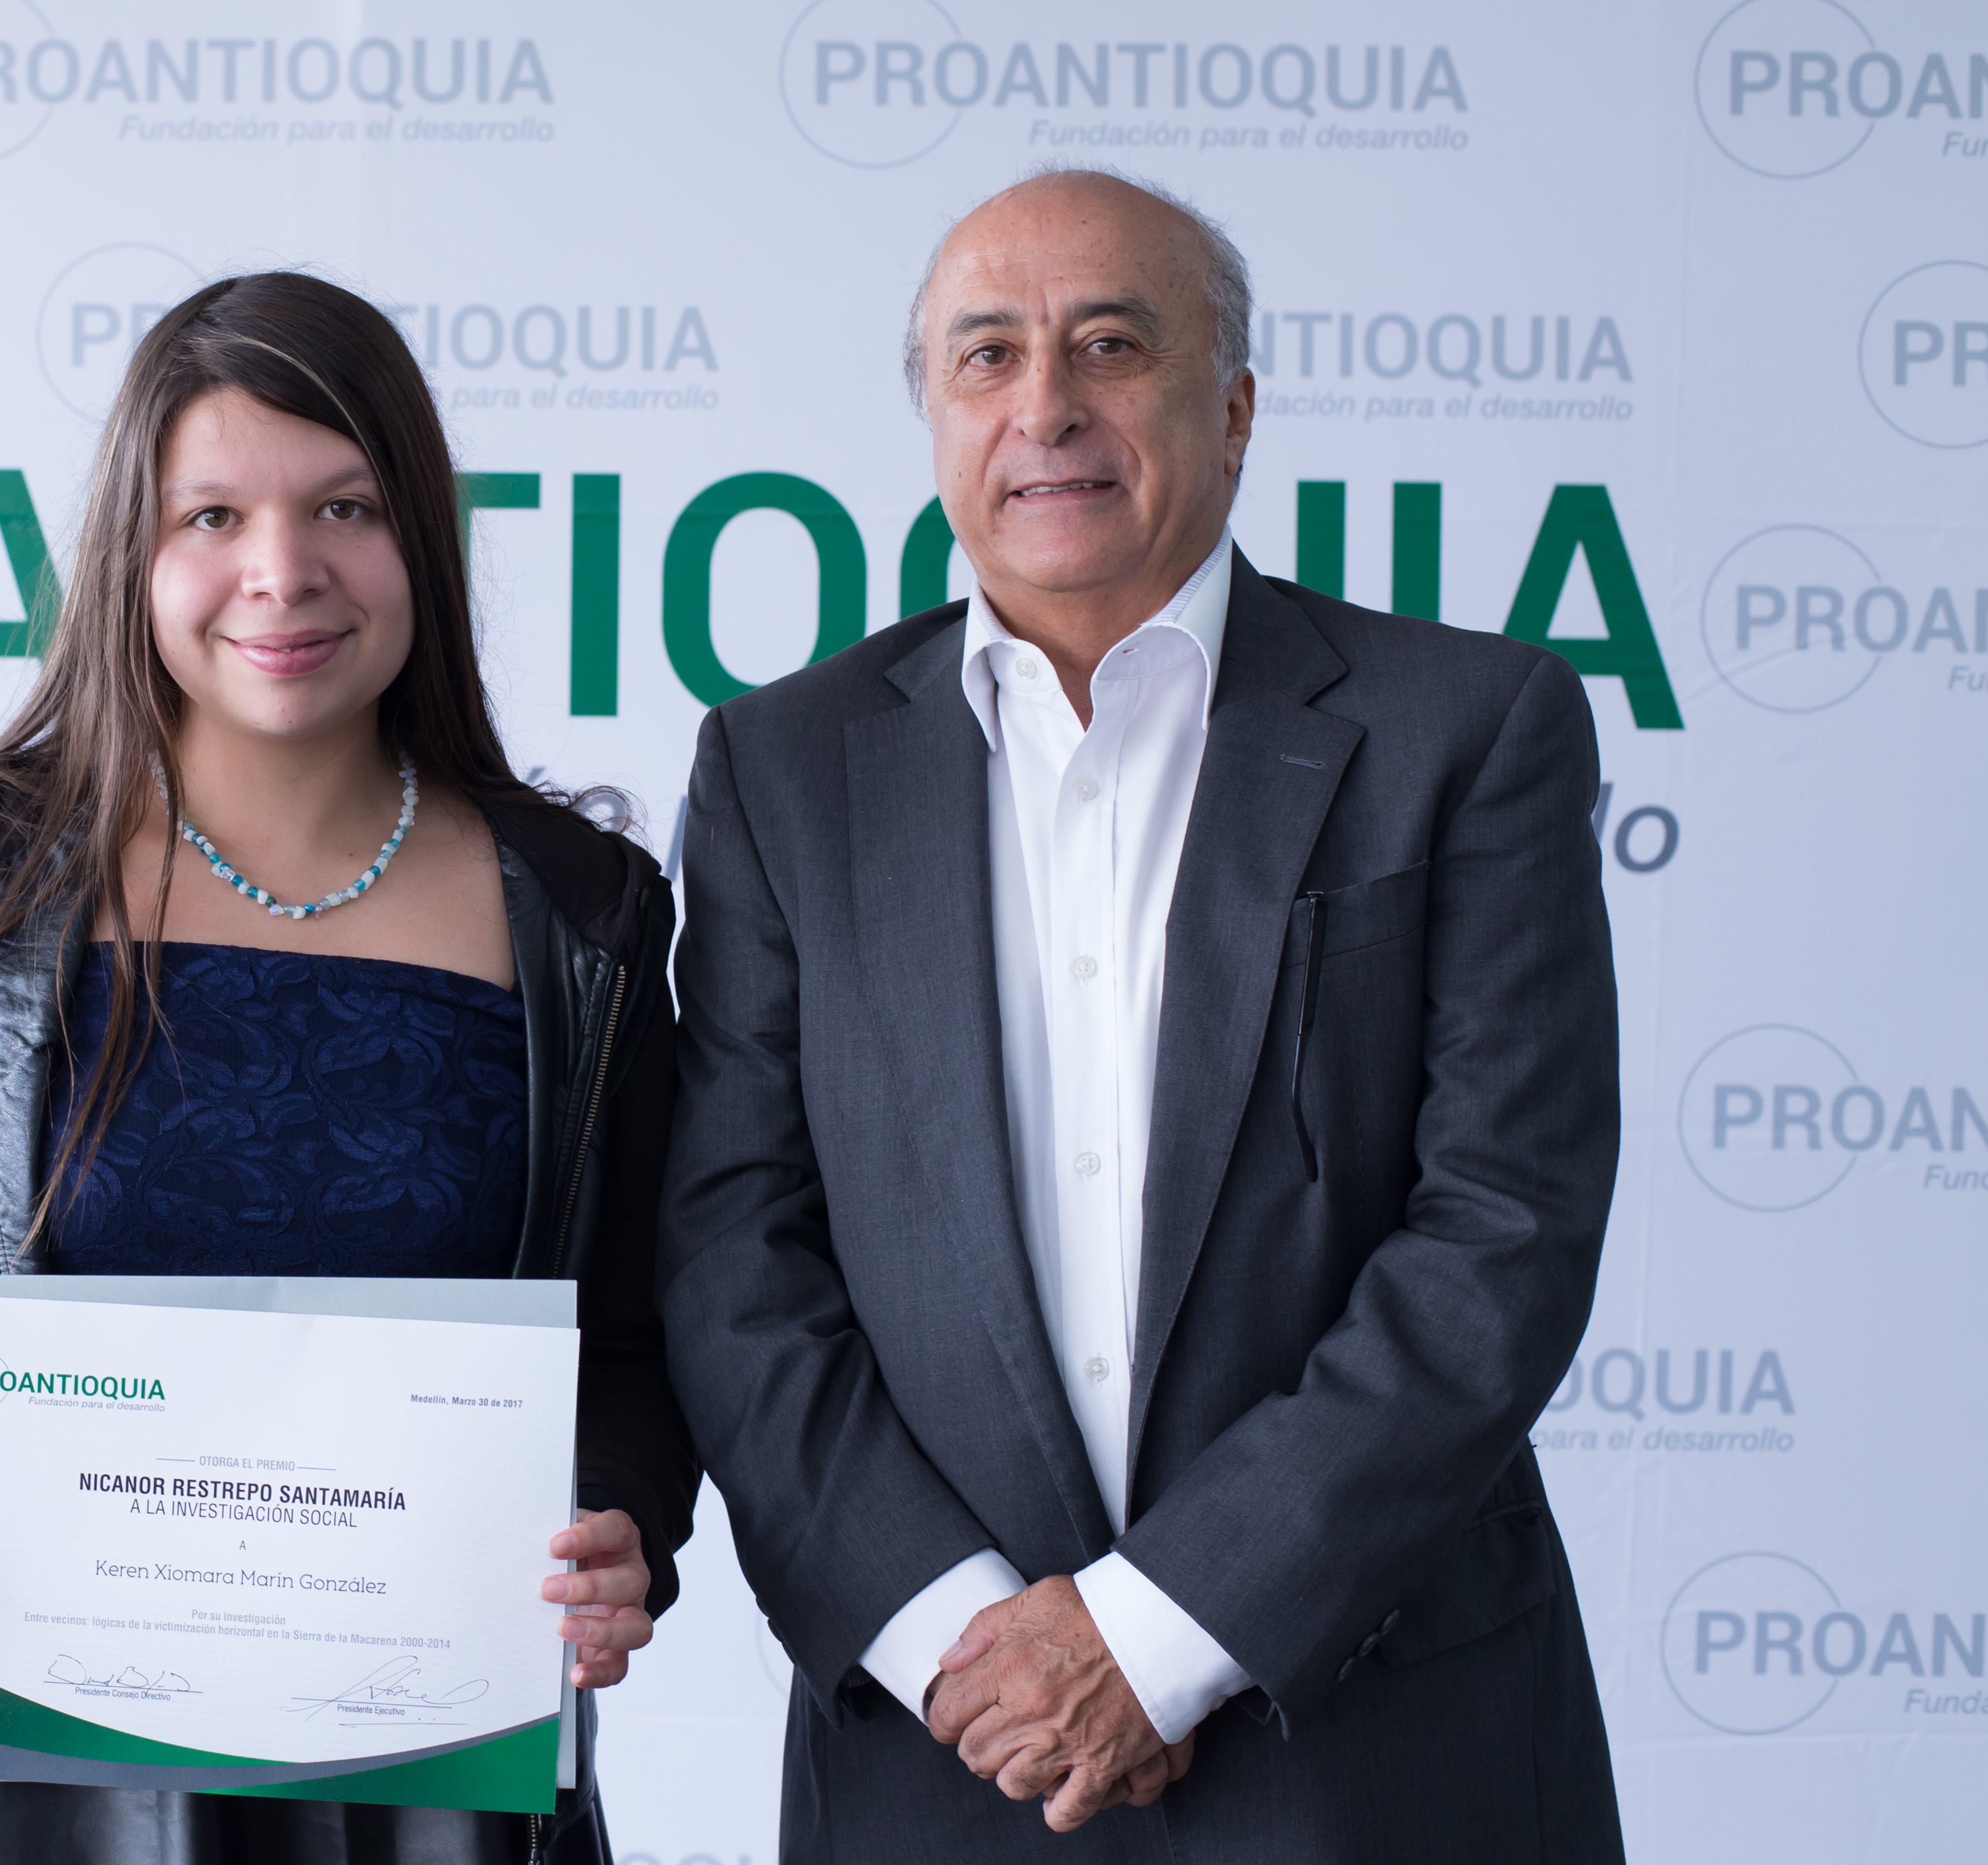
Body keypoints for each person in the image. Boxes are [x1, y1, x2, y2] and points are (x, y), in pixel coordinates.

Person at [656, 167, 1623, 1859]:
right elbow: (733, 1252)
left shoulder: (1468, 729)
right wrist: (970, 1646)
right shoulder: (780, 769)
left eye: (1109, 346)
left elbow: (1502, 1229)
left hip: (1374, 1742)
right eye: (987, 356)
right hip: (946, 1749)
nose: (1045, 407)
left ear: (1231, 410)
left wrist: (1158, 1636)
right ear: (935, 416)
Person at [0, 271, 696, 1865]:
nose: (282, 572)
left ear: (421, 538)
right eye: (212, 517)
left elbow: (638, 1345)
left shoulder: (582, 912)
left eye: (344, 506)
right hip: (19, 1772)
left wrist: (619, 1530)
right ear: (133, 553)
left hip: (425, 1781)